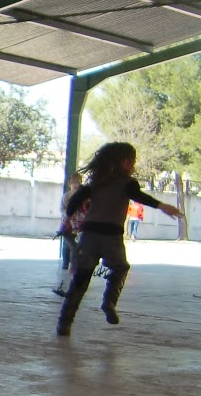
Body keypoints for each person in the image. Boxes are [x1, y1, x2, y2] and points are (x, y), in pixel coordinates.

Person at [57, 142, 184, 337]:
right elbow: (139, 196)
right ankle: (109, 301)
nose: (134, 167)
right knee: (121, 268)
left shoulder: (96, 182)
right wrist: (161, 206)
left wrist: (69, 216)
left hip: (89, 236)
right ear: (125, 163)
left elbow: (74, 200)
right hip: (112, 237)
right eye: (133, 162)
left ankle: (64, 324)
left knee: (80, 280)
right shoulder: (128, 184)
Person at [54, 170, 86, 296]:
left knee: (71, 245)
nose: (76, 185)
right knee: (72, 246)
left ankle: (69, 264)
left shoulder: (83, 197)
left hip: (78, 225)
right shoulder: (66, 196)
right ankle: (68, 264)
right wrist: (69, 215)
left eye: (78, 182)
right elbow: (62, 209)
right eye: (74, 183)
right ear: (70, 184)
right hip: (67, 225)